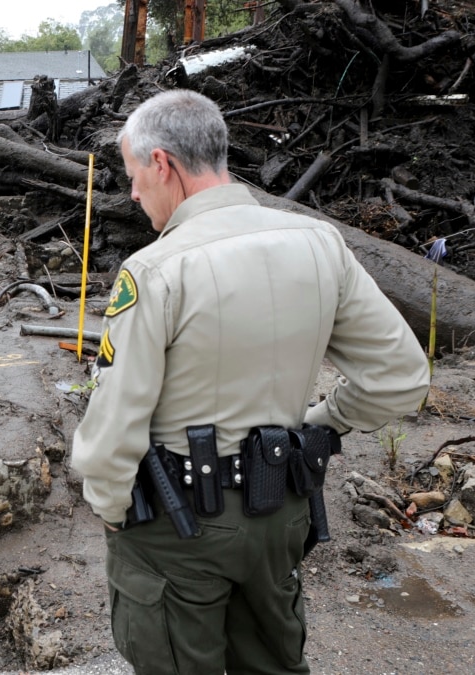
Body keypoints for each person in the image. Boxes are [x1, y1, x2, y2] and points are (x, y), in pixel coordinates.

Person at [70, 89, 431, 674]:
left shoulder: (156, 271)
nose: (132, 193)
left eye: (134, 175)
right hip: (279, 512)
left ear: (162, 164)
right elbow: (401, 377)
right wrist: (319, 423)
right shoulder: (320, 243)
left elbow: (115, 424)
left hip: (176, 528)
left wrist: (111, 508)